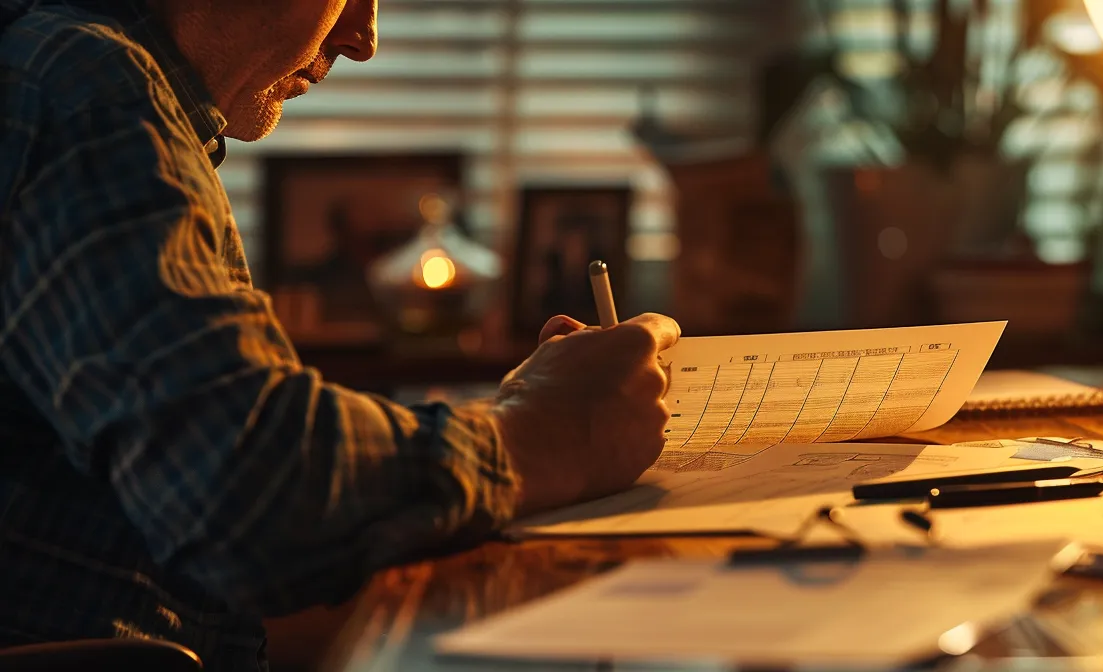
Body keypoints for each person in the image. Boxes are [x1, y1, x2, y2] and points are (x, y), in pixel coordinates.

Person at [0, 1, 678, 669]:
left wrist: (513, 424)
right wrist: (552, 433)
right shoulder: (79, 82)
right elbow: (250, 491)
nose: (363, 38)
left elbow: (199, 550)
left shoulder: (70, 78)